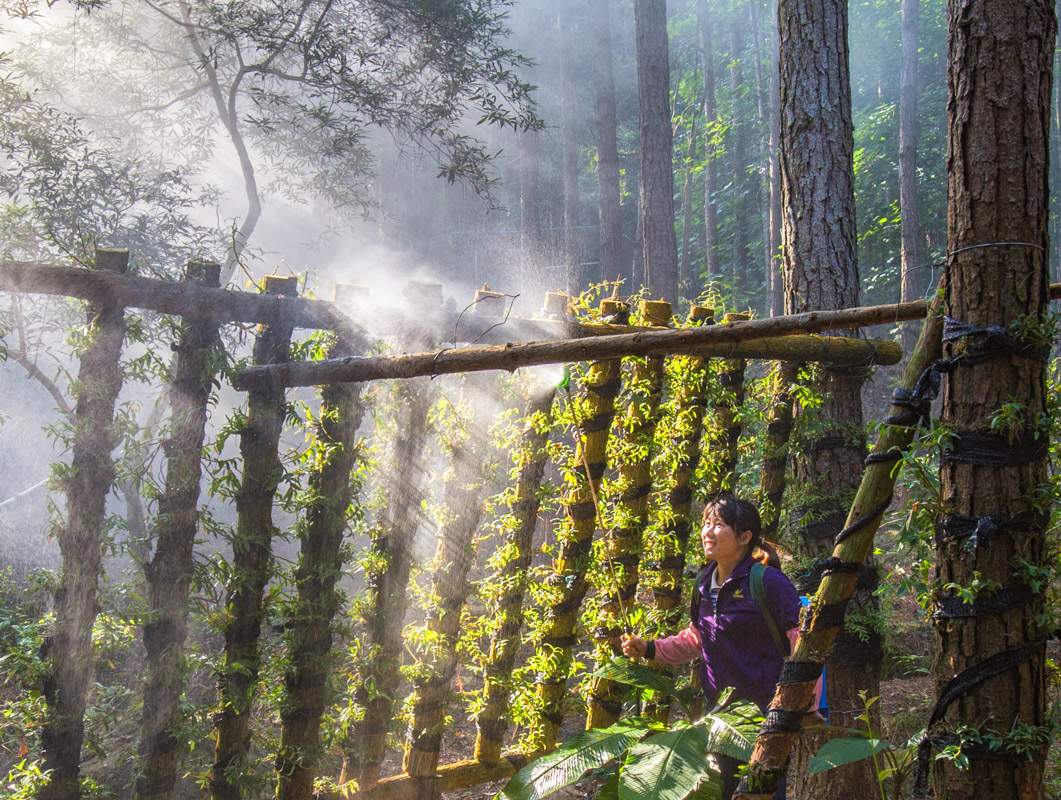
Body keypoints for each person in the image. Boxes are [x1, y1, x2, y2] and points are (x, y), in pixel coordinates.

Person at [621, 495, 822, 800]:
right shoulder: (703, 583)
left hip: (769, 715)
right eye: (706, 523)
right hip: (723, 716)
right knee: (731, 790)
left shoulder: (768, 581)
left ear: (744, 537)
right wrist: (649, 648)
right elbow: (697, 638)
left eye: (719, 524)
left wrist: (805, 702)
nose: (708, 531)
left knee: (763, 792)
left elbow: (802, 641)